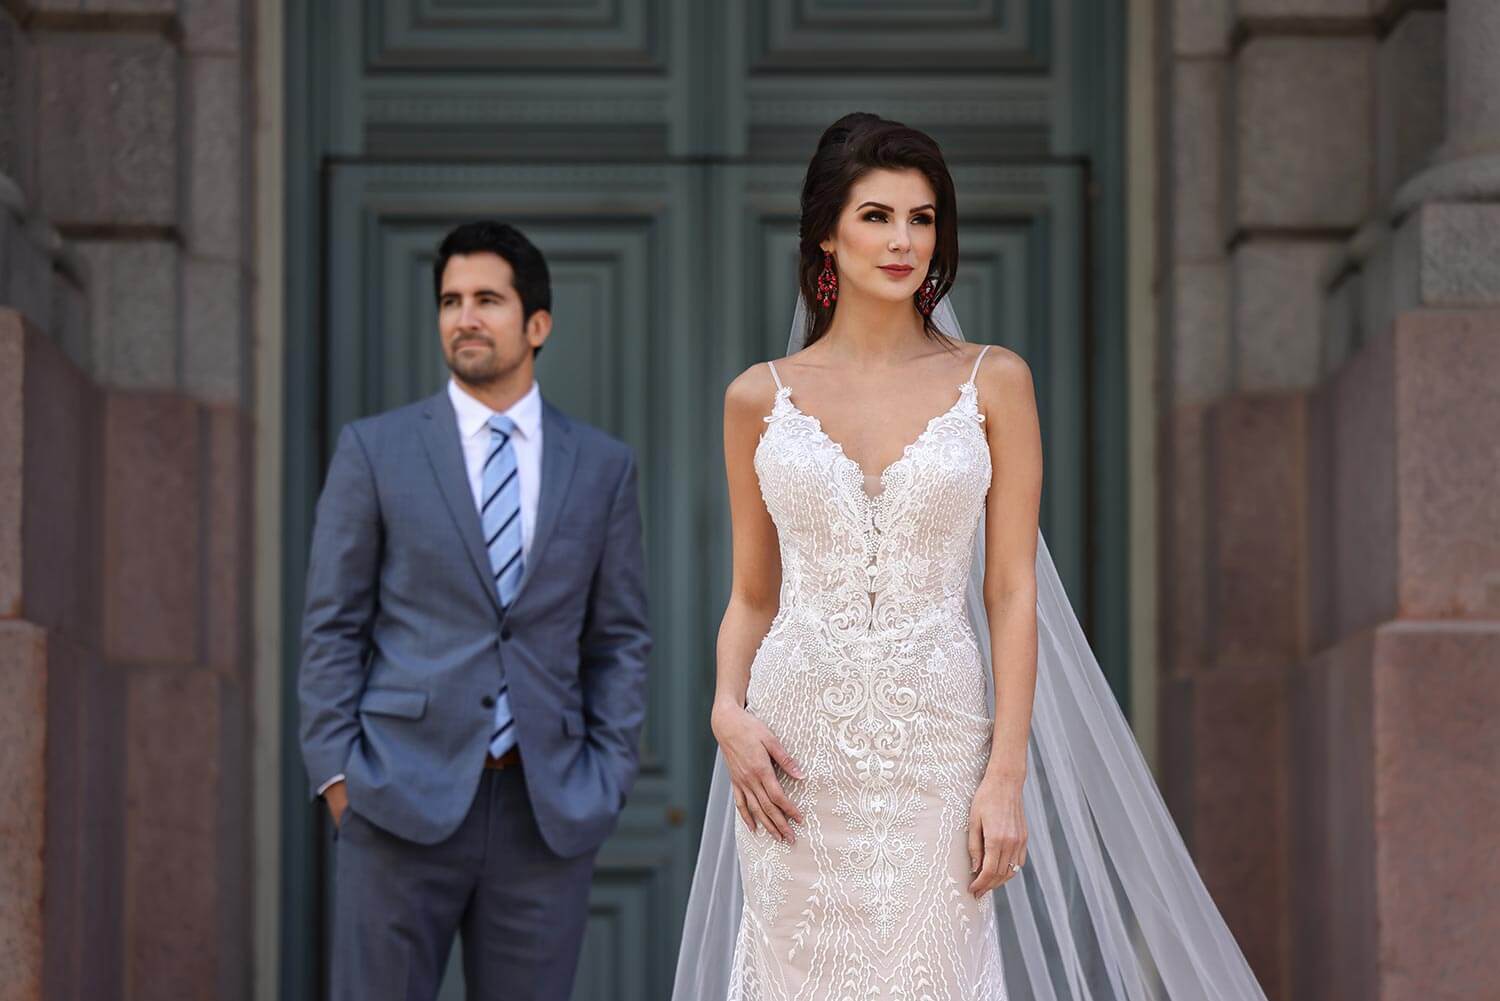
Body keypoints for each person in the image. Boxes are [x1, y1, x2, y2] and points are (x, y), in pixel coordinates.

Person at [672, 114, 1269, 1001]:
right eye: (876, 216)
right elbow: (753, 596)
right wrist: (725, 709)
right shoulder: (757, 397)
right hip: (794, 753)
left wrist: (1005, 772)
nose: (903, 239)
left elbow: (1011, 587)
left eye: (922, 217)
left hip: (938, 744)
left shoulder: (994, 380)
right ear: (827, 233)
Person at [299, 220, 651, 1001]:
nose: (464, 316)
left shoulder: (600, 467)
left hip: (544, 809)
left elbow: (620, 636)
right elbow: (333, 623)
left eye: (487, 299)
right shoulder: (375, 450)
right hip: (393, 800)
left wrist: (608, 774)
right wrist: (336, 776)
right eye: (451, 300)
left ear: (537, 324)